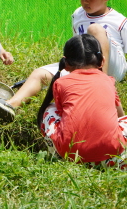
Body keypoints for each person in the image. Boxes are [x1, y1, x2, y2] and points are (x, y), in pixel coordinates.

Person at [0, 0, 127, 122]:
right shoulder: (78, 14)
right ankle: (10, 105)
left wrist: (103, 74)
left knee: (94, 29)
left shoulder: (120, 21)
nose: (86, 2)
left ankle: (101, 82)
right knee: (39, 73)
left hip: (111, 68)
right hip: (83, 64)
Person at [37, 34, 127, 169]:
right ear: (102, 61)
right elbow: (120, 116)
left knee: (50, 109)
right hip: (112, 160)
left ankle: (56, 155)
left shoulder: (60, 83)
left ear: (65, 63)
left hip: (71, 157)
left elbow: (64, 116)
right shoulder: (108, 80)